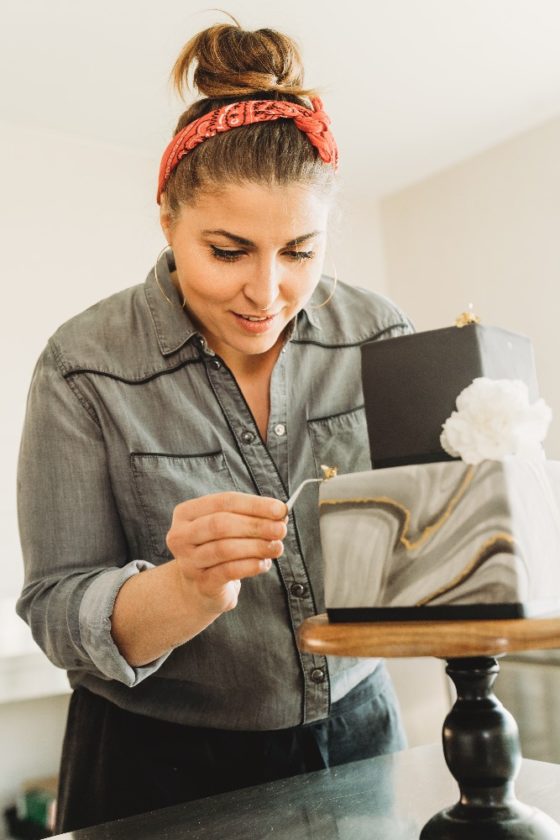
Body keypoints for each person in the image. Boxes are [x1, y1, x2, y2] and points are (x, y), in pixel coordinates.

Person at [16, 19, 413, 834]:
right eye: (228, 251)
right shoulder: (81, 365)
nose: (267, 292)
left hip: (366, 734)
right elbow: (57, 610)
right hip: (157, 767)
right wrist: (184, 588)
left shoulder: (376, 335)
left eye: (300, 252)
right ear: (167, 220)